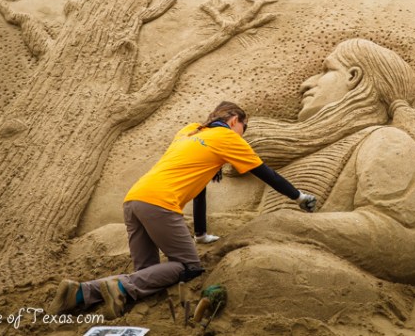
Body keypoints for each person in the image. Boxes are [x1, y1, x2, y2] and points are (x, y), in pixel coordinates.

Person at [202, 39, 415, 321]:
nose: (306, 84)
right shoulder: (309, 153)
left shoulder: (387, 140)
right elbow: (260, 224)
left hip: (331, 283)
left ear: (354, 77)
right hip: (278, 263)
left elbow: (408, 245)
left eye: (325, 70)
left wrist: (283, 224)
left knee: (258, 269)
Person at [49, 101, 316, 319]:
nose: (243, 134)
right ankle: (117, 286)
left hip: (134, 199)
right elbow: (264, 172)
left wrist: (200, 234)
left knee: (148, 275)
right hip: (160, 204)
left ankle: (80, 293)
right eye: (244, 127)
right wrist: (298, 196)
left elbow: (198, 187)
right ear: (235, 120)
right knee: (189, 267)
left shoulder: (189, 131)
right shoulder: (225, 136)